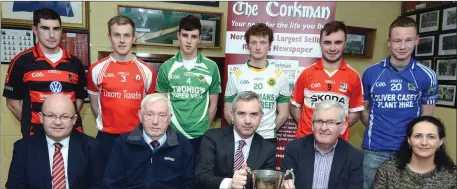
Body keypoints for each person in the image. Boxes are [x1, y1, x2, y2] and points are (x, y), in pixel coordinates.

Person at [360, 16, 438, 189]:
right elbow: (363, 110)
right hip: (374, 150)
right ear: (388, 41)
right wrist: (377, 127)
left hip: (410, 150)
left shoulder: (428, 76)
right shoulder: (370, 73)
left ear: (417, 40)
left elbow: (426, 117)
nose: (402, 46)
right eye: (397, 40)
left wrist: (415, 139)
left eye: (408, 40)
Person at [87, 15, 157, 172]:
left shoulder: (148, 71)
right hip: (106, 139)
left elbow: (149, 109)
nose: (122, 40)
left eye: (126, 35)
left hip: (137, 139)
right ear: (109, 37)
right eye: (117, 35)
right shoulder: (96, 69)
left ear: (134, 38)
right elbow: (94, 105)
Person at [3, 8, 87, 137]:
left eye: (56, 29)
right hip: (35, 136)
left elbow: (79, 100)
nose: (52, 35)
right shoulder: (21, 61)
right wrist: (37, 125)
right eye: (45, 28)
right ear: (35, 30)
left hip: (72, 135)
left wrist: (64, 124)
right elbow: (12, 103)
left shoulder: (75, 63)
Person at [6, 94, 102, 189]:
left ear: (74, 119)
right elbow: (14, 186)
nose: (57, 122)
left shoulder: (92, 148)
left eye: (64, 117)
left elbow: (99, 186)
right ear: (41, 117)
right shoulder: (23, 148)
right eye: (51, 116)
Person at [156, 15, 221, 154]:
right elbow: (161, 105)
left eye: (193, 36)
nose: (189, 41)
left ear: (200, 38)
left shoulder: (211, 67)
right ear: (178, 35)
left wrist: (203, 127)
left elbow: (213, 105)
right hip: (172, 134)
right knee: (172, 175)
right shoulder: (167, 67)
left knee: (198, 175)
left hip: (201, 136)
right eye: (185, 35)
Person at [290, 21, 364, 141]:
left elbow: (355, 112)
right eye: (327, 42)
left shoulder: (354, 77)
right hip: (306, 140)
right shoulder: (306, 73)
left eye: (338, 42)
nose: (332, 48)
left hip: (337, 143)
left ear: (345, 44)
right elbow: (294, 107)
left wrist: (335, 130)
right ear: (320, 44)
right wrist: (312, 127)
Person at [103, 93, 195, 189]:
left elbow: (189, 184)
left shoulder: (183, 145)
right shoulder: (122, 143)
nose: (155, 121)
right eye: (149, 115)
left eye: (162, 115)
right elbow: (111, 183)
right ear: (140, 116)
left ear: (169, 118)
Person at [224, 23, 290, 143]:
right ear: (248, 45)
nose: (258, 47)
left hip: (267, 138)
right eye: (253, 42)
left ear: (269, 45)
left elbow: (284, 113)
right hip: (240, 138)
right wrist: (242, 130)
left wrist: (270, 130)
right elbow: (228, 112)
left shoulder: (279, 76)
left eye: (263, 42)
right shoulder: (236, 75)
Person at [195, 91, 276, 189]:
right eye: (241, 114)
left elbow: (265, 186)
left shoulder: (268, 149)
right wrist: (229, 184)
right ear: (232, 115)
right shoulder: (212, 138)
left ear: (261, 116)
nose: (247, 121)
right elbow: (201, 177)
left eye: (254, 114)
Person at [282, 100, 363, 189]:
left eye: (331, 122)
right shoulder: (294, 149)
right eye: (319, 121)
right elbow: (286, 179)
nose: (324, 128)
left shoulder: (354, 157)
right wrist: (284, 184)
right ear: (312, 125)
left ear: (343, 127)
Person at [372, 116, 457, 189]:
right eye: (418, 136)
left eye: (431, 137)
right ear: (409, 140)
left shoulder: (452, 174)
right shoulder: (387, 170)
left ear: (440, 141)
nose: (424, 142)